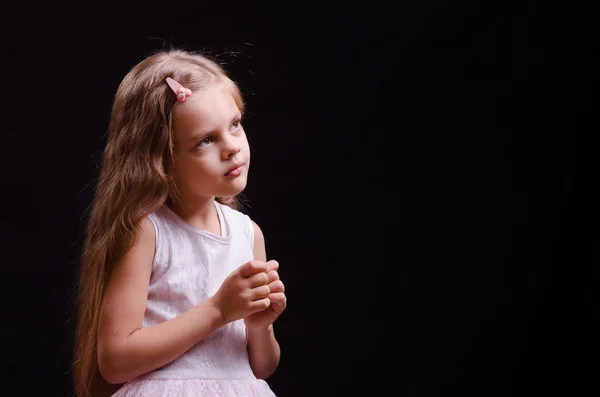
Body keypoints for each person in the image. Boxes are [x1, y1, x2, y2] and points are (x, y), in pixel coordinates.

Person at [73, 48, 287, 397]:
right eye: (206, 140)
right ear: (162, 160)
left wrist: (259, 327)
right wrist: (218, 310)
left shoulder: (248, 235)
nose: (232, 147)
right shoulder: (148, 233)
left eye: (234, 125)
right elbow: (113, 360)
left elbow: (260, 367)